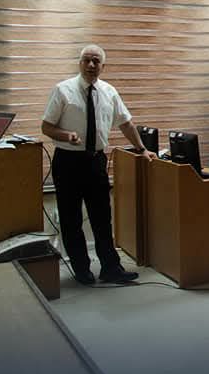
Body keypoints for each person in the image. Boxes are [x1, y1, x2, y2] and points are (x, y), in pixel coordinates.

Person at [41, 44, 156, 285]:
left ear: (103, 66)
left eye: (96, 61)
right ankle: (82, 269)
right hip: (68, 161)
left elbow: (126, 124)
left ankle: (110, 269)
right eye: (87, 60)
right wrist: (66, 135)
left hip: (95, 161)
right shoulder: (63, 90)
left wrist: (142, 149)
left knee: (102, 218)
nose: (91, 65)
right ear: (80, 63)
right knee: (71, 219)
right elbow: (47, 127)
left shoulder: (109, 92)